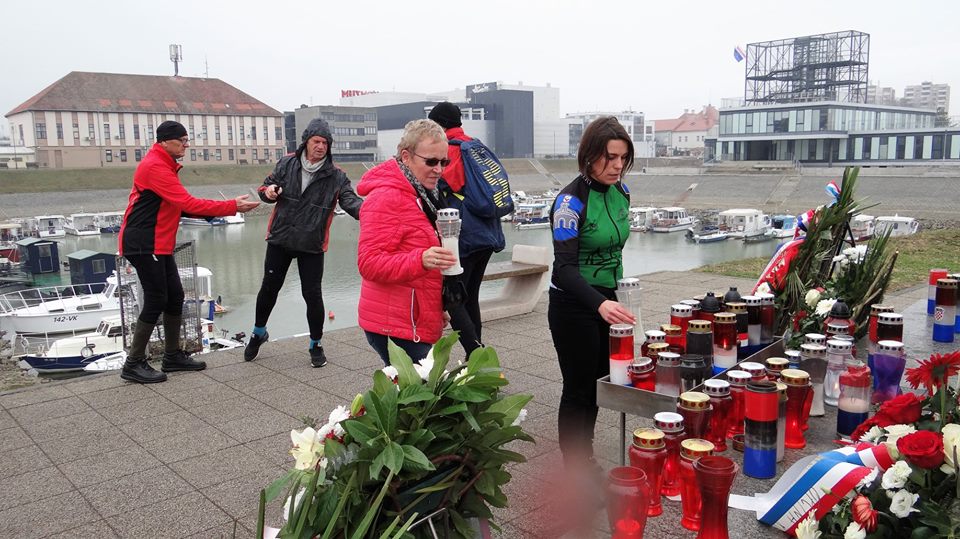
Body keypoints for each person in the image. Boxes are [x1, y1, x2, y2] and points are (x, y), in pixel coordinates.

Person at [118, 121, 260, 384]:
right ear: (165, 141)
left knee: (175, 297)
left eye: (187, 140)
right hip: (144, 243)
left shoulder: (165, 165)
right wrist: (231, 206)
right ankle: (133, 363)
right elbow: (187, 203)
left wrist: (227, 207)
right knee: (156, 299)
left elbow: (180, 207)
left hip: (157, 243)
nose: (187, 144)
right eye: (182, 140)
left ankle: (172, 356)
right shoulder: (155, 167)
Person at [548, 116, 636, 472]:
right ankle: (575, 466)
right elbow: (564, 269)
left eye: (623, 158)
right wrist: (599, 303)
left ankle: (585, 455)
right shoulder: (569, 203)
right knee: (578, 387)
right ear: (589, 155)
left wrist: (617, 296)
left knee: (600, 382)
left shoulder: (622, 192)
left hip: (609, 301)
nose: (617, 166)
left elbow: (615, 250)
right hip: (574, 304)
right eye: (609, 157)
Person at [243, 118, 362, 367]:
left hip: (312, 243)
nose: (321, 147)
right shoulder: (287, 163)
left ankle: (315, 344)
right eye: (316, 141)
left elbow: (351, 202)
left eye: (325, 143)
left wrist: (373, 212)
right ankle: (258, 332)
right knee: (269, 288)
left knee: (312, 295)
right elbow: (265, 188)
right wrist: (269, 192)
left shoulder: (336, 176)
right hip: (281, 237)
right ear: (306, 141)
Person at [356, 119, 456, 365]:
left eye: (444, 162)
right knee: (424, 386)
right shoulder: (387, 197)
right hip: (394, 325)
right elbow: (368, 263)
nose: (439, 170)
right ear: (406, 157)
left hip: (410, 317)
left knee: (416, 387)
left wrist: (435, 309)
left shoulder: (421, 194)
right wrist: (420, 259)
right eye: (431, 162)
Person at [428, 102, 504, 357]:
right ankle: (476, 356)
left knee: (453, 297)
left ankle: (475, 352)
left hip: (465, 235)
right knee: (470, 295)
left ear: (438, 124)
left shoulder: (450, 149)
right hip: (488, 231)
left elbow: (440, 184)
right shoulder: (475, 144)